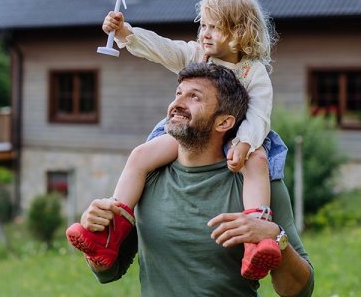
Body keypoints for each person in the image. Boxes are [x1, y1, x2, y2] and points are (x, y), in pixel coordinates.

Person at [67, 0, 288, 279]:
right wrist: (125, 32)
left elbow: (259, 112)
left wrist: (244, 142)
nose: (205, 33)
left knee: (257, 162)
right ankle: (111, 231)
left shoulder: (253, 71)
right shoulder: (196, 54)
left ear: (239, 32)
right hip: (193, 131)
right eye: (203, 25)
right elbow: (163, 48)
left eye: (215, 27)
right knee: (141, 155)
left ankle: (256, 240)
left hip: (238, 135)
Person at [76, 63, 314, 296]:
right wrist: (96, 226)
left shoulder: (257, 184)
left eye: (194, 97)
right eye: (178, 93)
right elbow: (108, 272)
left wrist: (274, 236)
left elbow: (300, 290)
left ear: (224, 122)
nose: (177, 104)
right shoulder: (148, 175)